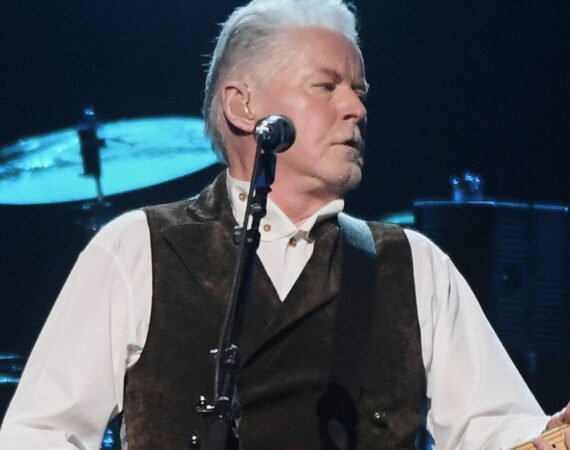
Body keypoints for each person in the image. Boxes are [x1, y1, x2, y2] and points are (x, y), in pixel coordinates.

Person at [0, 0, 568, 448]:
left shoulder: (415, 265)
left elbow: (495, 427)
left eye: (359, 91)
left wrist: (548, 438)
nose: (356, 108)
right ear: (243, 106)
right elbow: (39, 433)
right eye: (326, 86)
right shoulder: (137, 249)